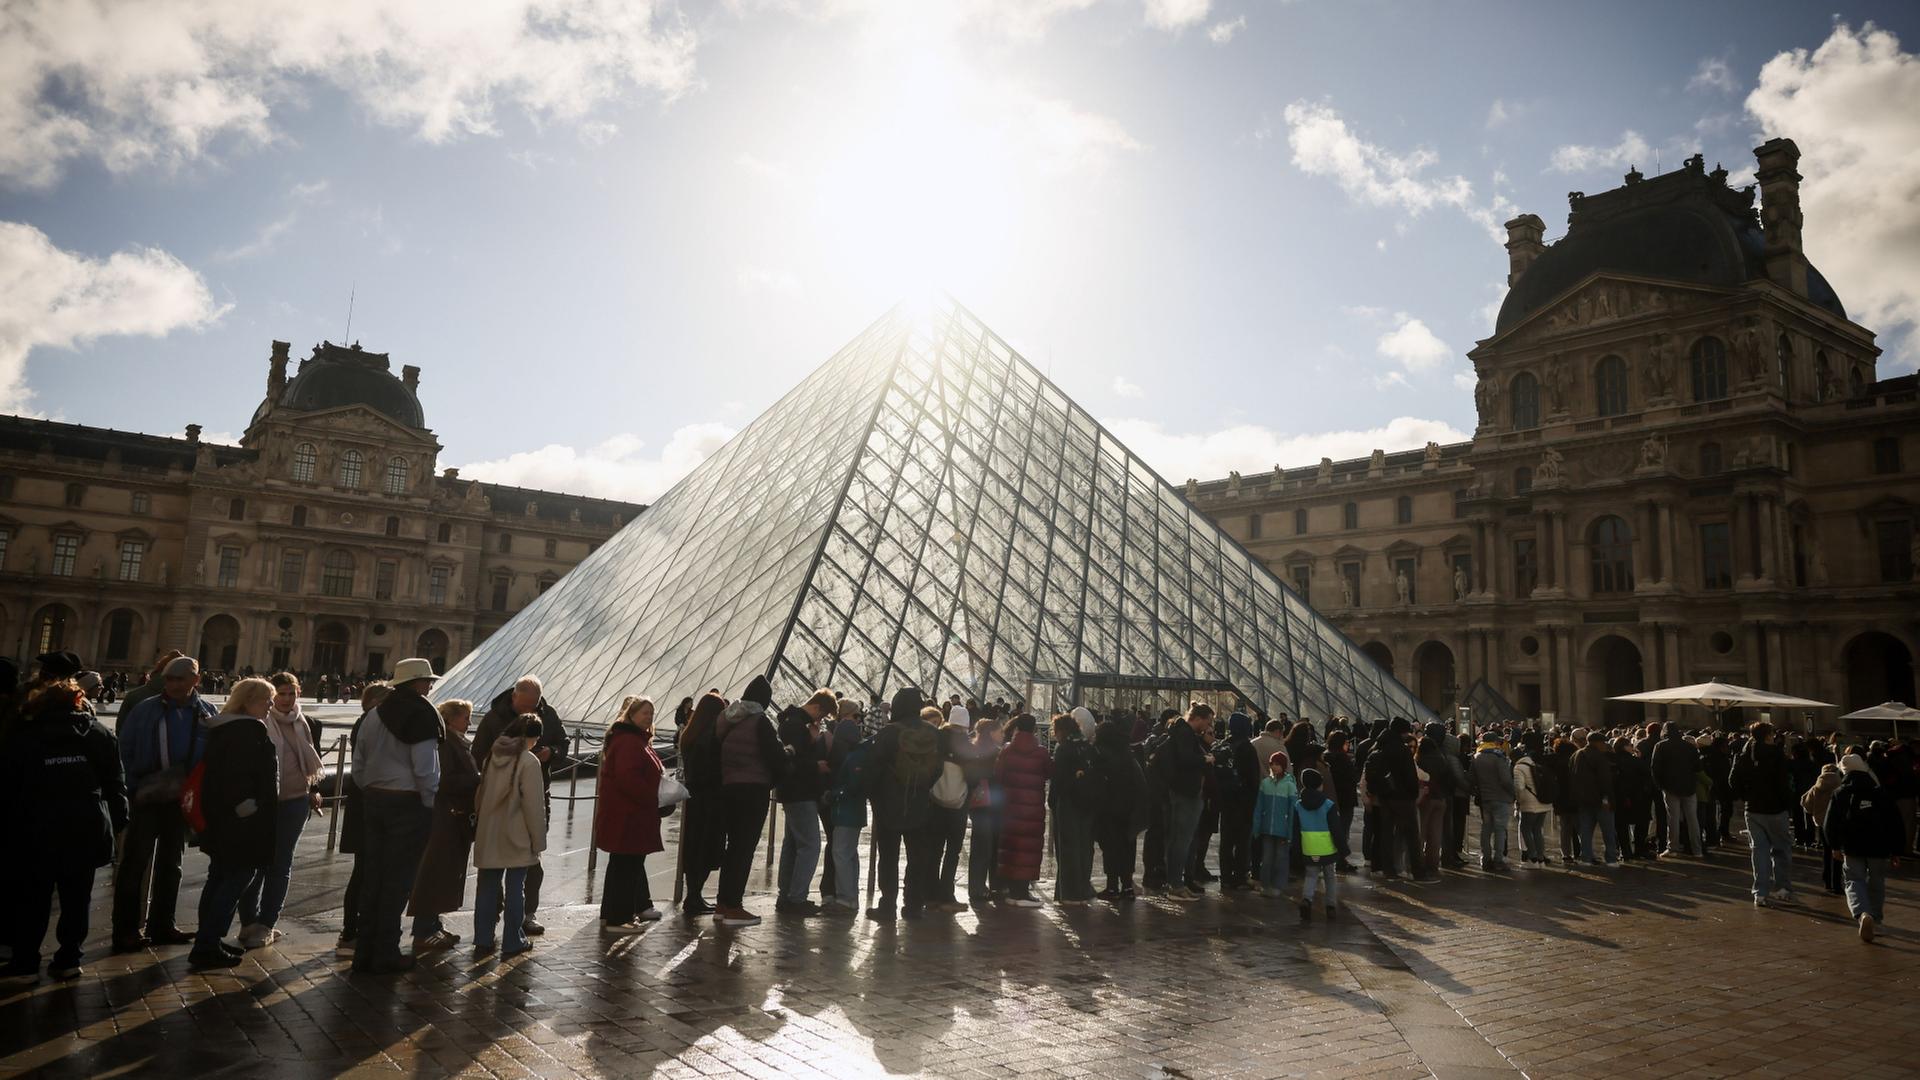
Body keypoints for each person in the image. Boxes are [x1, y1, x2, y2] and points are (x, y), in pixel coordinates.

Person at [1, 679, 127, 980]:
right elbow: (115, 783)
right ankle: (69, 958)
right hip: (86, 825)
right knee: (77, 897)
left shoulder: (25, 734)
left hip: (35, 825)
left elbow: (8, 784)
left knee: (34, 897)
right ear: (78, 701)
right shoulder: (97, 733)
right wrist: (120, 822)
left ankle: (26, 961)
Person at [114, 654, 217, 953]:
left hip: (180, 799)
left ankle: (163, 924)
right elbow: (125, 749)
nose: (172, 684)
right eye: (169, 679)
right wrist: (133, 788)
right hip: (147, 794)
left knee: (172, 864)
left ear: (195, 680)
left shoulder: (207, 713)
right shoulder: (145, 710)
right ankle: (126, 929)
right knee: (135, 863)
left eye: (179, 679)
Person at [348, 658, 442, 975]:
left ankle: (364, 950)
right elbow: (426, 770)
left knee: (373, 877)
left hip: (373, 800)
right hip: (408, 803)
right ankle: (387, 951)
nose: (430, 686)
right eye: (427, 681)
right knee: (398, 881)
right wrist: (429, 804)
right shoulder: (422, 713)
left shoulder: (373, 715)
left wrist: (372, 790)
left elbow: (358, 765)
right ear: (415, 683)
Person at [188, 678, 281, 970]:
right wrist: (249, 809)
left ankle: (208, 940)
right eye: (266, 700)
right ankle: (206, 944)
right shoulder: (247, 731)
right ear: (248, 701)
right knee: (238, 878)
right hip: (242, 824)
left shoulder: (224, 727)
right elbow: (239, 777)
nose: (270, 706)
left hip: (221, 821)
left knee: (218, 878)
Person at [471, 676, 570, 936]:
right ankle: (495, 920)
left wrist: (551, 753)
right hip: (500, 804)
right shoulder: (494, 719)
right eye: (525, 706)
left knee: (528, 868)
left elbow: (563, 744)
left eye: (534, 706)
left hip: (531, 794)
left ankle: (527, 914)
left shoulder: (547, 714)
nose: (530, 712)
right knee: (503, 870)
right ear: (513, 697)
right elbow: (477, 757)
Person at [235, 673, 323, 949]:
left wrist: (312, 790)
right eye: (281, 694)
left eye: (291, 694)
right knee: (255, 863)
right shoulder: (258, 721)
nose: (286, 700)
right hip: (265, 803)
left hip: (295, 801)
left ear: (298, 694)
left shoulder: (307, 723)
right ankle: (248, 920)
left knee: (280, 863)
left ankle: (267, 923)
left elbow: (310, 759)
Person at [712, 676, 786, 927]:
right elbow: (775, 757)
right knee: (744, 849)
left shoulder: (730, 719)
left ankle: (722, 904)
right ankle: (733, 907)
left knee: (733, 848)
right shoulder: (759, 722)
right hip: (752, 791)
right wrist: (787, 760)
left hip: (729, 788)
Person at [408, 699, 481, 951]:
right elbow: (445, 780)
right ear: (451, 719)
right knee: (435, 872)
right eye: (465, 718)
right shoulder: (447, 743)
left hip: (453, 816)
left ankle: (433, 926)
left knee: (444, 872)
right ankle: (423, 930)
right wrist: (476, 780)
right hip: (444, 816)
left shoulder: (453, 740)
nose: (469, 723)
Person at [473, 713, 547, 957]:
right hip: (517, 834)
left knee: (487, 888)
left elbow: (480, 795)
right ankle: (513, 940)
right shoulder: (529, 761)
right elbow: (534, 806)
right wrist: (538, 840)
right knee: (516, 888)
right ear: (532, 738)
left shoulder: (492, 756)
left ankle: (483, 937)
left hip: (490, 831)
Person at [867, 687, 940, 920]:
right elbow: (937, 769)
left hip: (888, 805)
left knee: (888, 858)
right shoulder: (932, 732)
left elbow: (874, 768)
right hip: (920, 805)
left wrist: (875, 795)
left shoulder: (888, 733)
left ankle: (887, 906)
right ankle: (913, 905)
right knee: (917, 857)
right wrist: (923, 786)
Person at [596, 696, 667, 930]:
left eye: (651, 713)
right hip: (629, 815)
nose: (649, 717)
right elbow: (629, 780)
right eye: (645, 713)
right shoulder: (630, 741)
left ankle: (613, 914)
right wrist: (655, 796)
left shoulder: (630, 739)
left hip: (627, 814)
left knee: (622, 865)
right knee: (627, 867)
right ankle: (620, 918)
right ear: (631, 714)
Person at [335, 682, 393, 955]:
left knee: (365, 871)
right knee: (364, 873)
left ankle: (355, 930)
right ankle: (351, 932)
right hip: (368, 806)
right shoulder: (372, 723)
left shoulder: (366, 722)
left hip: (364, 805)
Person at [1825, 753, 1904, 942]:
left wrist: (1835, 846)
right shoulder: (1879, 792)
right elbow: (1895, 822)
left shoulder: (1840, 792)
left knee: (1853, 880)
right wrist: (1896, 850)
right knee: (1877, 883)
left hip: (1852, 846)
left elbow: (1830, 823)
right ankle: (1876, 920)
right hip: (1879, 845)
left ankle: (1862, 913)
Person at [774, 689, 834, 916]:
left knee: (792, 845)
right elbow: (795, 759)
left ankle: (786, 896)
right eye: (823, 715)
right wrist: (815, 764)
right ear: (817, 707)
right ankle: (796, 898)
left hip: (791, 792)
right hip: (800, 792)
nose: (821, 720)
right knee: (810, 846)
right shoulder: (797, 726)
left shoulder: (791, 722)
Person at [1728, 720, 1797, 906]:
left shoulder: (1743, 755)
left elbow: (1733, 780)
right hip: (1776, 808)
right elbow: (1784, 782)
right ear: (1768, 735)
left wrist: (1746, 796)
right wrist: (1787, 803)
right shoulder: (1776, 754)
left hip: (1753, 809)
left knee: (1759, 852)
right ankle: (1782, 888)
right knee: (1781, 850)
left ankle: (1760, 892)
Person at [676, 692, 727, 915]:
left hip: (694, 799)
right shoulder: (711, 737)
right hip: (710, 800)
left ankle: (693, 896)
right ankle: (694, 897)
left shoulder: (690, 734)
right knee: (706, 850)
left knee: (695, 849)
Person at [994, 713, 1052, 907]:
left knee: (1012, 846)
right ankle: (1023, 892)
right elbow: (1048, 773)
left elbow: (999, 776)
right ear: (1034, 729)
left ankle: (1012, 891)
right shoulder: (1041, 752)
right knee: (1029, 848)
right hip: (1033, 808)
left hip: (1010, 807)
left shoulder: (1007, 750)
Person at [1157, 702, 1213, 900]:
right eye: (1207, 721)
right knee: (1181, 840)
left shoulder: (1182, 732)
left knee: (1179, 839)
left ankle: (1176, 883)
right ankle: (1176, 885)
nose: (1208, 726)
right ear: (1198, 718)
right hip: (1185, 792)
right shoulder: (1185, 734)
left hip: (1181, 791)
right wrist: (1205, 760)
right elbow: (1186, 759)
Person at [1092, 717, 1146, 901]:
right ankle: (1127, 886)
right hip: (1128, 809)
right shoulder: (1127, 753)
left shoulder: (1100, 754)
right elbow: (1140, 782)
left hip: (1108, 810)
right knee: (1127, 847)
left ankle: (1112, 886)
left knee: (1110, 848)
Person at [925, 705, 973, 912]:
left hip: (935, 803)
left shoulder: (935, 740)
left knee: (934, 849)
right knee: (953, 851)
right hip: (958, 806)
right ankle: (947, 895)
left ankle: (931, 894)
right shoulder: (967, 746)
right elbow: (974, 778)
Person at [823, 715, 872, 914]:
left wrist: (833, 795)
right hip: (854, 812)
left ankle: (845, 899)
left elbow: (852, 786)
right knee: (849, 854)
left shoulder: (854, 757)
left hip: (846, 812)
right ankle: (851, 898)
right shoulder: (860, 754)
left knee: (841, 854)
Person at [960, 714, 1005, 905]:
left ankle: (980, 886)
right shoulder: (992, 752)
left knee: (985, 844)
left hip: (981, 803)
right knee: (986, 845)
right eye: (999, 731)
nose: (1002, 734)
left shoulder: (977, 749)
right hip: (988, 802)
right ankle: (982, 887)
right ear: (991, 733)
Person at [1214, 712, 1259, 891]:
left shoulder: (1224, 745)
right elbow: (1253, 780)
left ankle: (1225, 877)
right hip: (1243, 801)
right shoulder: (1247, 748)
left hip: (1226, 801)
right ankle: (1240, 876)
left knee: (1226, 841)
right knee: (1242, 842)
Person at [1294, 768, 1343, 921]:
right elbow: (1336, 828)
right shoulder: (1328, 805)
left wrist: (1295, 849)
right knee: (1330, 877)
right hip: (1327, 847)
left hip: (1309, 846)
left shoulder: (1298, 805)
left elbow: (1295, 829)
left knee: (1311, 875)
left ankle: (1307, 900)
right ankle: (1330, 906)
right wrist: (1342, 847)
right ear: (1319, 785)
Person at [1651, 722, 1702, 857]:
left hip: (1670, 787)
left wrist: (1660, 785)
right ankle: (1697, 850)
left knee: (1673, 818)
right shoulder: (1689, 746)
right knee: (1692, 819)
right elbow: (1698, 767)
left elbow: (1655, 768)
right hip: (1689, 786)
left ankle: (1673, 847)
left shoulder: (1661, 746)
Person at [1251, 750, 1298, 898]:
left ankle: (1278, 885)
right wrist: (1257, 827)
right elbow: (1259, 807)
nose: (1274, 767)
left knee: (1280, 859)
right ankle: (1266, 885)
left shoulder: (1290, 785)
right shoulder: (1265, 784)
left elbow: (1292, 811)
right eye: (1272, 764)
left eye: (1277, 764)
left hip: (1282, 829)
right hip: (1267, 828)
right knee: (1267, 859)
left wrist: (1290, 832)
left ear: (1283, 766)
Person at [1571, 730, 1620, 866]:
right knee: (1608, 831)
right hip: (1599, 800)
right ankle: (1611, 858)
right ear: (1596, 743)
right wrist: (1606, 799)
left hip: (1583, 800)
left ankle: (1586, 857)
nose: (1605, 745)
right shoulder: (1600, 757)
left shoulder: (1576, 755)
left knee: (1586, 831)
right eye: (1603, 742)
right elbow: (1605, 781)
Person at [1471, 733, 1515, 870]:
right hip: (1500, 797)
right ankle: (1498, 860)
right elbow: (1506, 780)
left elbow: (1472, 779)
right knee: (1500, 829)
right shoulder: (1498, 756)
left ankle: (1486, 859)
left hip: (1485, 798)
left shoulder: (1476, 756)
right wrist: (1513, 794)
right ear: (1495, 742)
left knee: (1486, 828)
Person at [1802, 759, 1845, 895]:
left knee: (1826, 852)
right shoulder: (1841, 786)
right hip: (1838, 824)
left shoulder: (1816, 788)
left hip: (1822, 824)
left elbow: (1805, 804)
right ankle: (1837, 884)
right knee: (1837, 853)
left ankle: (1827, 880)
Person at [1513, 731, 1554, 864]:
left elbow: (1519, 787)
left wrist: (1518, 802)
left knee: (1525, 829)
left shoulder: (1518, 767)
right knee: (1537, 830)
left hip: (1529, 804)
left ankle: (1532, 855)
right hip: (1543, 802)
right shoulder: (1534, 764)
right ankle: (1541, 856)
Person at [1325, 731, 1360, 873]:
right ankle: (1341, 860)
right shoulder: (1344, 759)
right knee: (1343, 831)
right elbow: (1353, 778)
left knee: (1329, 830)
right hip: (1346, 799)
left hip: (1330, 798)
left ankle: (1329, 858)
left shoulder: (1325, 757)